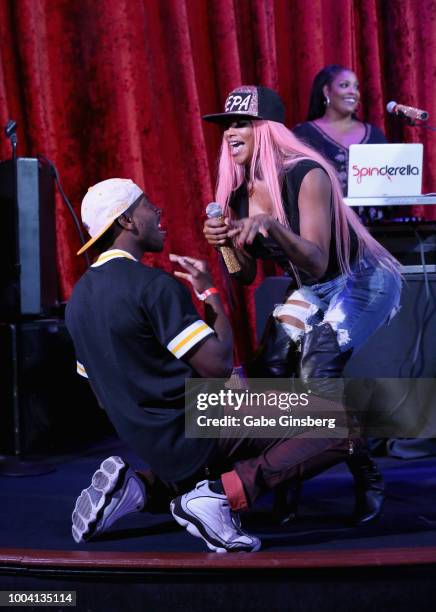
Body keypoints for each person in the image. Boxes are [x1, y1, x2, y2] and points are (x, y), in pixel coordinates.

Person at [65, 178, 356, 553]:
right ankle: (222, 495)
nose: (158, 212)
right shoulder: (151, 286)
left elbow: (104, 398)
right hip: (199, 424)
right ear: (128, 222)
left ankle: (140, 488)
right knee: (345, 423)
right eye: (148, 206)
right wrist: (210, 293)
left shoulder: (78, 301)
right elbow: (217, 365)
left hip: (153, 443)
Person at [202, 85, 402, 525]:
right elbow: (245, 275)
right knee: (269, 369)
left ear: (267, 129)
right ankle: (285, 488)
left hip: (361, 281)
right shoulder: (238, 192)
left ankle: (368, 475)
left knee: (316, 372)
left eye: (241, 123)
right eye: (226, 125)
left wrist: (272, 226)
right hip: (315, 287)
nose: (230, 132)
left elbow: (315, 258)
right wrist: (223, 245)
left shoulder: (306, 173)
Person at [292, 64, 386, 197]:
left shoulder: (375, 135)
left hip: (374, 217)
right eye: (344, 85)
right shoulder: (304, 134)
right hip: (325, 217)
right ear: (326, 91)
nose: (353, 92)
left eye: (356, 87)